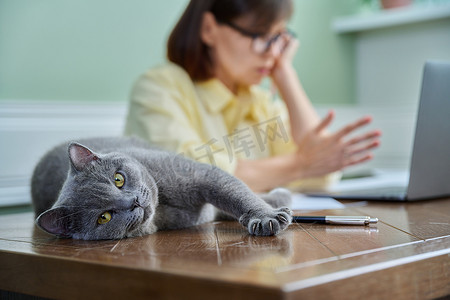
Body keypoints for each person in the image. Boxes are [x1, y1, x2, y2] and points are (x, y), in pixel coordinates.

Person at [124, 0, 381, 193]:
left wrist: (285, 76)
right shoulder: (159, 87)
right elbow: (187, 173)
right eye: (260, 36)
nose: (272, 52)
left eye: (279, 37)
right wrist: (301, 164)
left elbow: (322, 175)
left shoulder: (259, 100)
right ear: (209, 28)